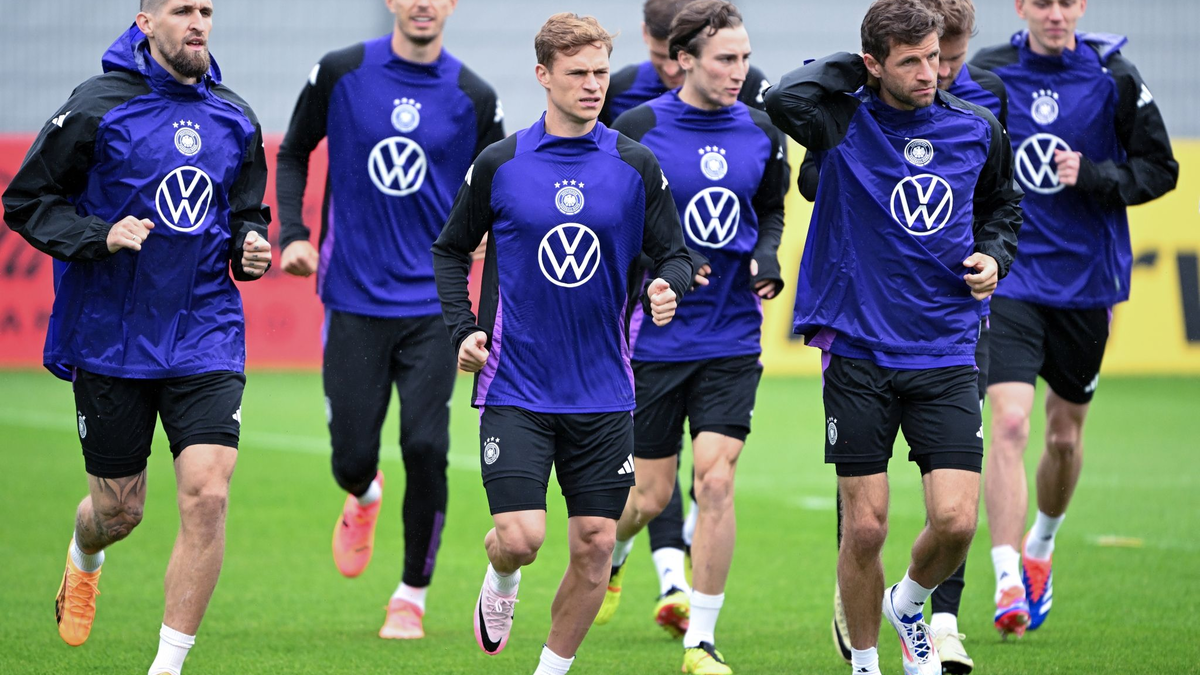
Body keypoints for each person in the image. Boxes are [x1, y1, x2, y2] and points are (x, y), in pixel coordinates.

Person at [1, 1, 271, 674]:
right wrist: (101, 234)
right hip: (112, 337)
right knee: (118, 510)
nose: (198, 22)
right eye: (182, 10)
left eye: (206, 10)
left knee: (208, 493)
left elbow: (245, 212)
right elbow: (27, 201)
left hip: (204, 331)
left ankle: (166, 666)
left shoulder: (236, 117)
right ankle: (84, 553)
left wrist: (250, 246)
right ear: (146, 23)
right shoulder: (96, 106)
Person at [765, 0, 1023, 672]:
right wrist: (859, 69)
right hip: (858, 349)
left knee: (956, 522)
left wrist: (995, 256)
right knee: (866, 525)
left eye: (934, 57)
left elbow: (1003, 206)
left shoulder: (978, 128)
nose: (930, 72)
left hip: (946, 347)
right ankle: (866, 663)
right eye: (910, 61)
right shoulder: (841, 121)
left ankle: (908, 602)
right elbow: (783, 97)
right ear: (874, 64)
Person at [432, 13, 692, 675]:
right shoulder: (501, 163)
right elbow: (450, 249)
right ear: (543, 75)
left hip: (604, 389)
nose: (593, 84)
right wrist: (463, 328)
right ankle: (502, 574)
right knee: (522, 537)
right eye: (578, 73)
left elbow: (675, 254)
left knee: (596, 543)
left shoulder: (634, 164)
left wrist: (666, 285)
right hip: (516, 384)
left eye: (601, 72)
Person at [275, 0, 504, 639]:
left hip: (434, 305)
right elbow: (293, 152)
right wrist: (293, 234)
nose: (423, 3)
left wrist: (488, 230)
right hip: (351, 296)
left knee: (427, 447)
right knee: (351, 458)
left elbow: (501, 184)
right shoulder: (341, 73)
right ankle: (364, 493)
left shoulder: (474, 95)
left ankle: (411, 595)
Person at [972, 0, 1177, 639]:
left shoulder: (1115, 76)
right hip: (1012, 276)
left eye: (1066, 2)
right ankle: (1007, 576)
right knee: (1009, 422)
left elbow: (1161, 169)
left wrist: (1095, 175)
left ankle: (1041, 544)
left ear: (1081, 7)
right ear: (1022, 8)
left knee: (1063, 438)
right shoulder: (990, 73)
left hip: (1087, 284)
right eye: (1042, 2)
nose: (1055, 13)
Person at [596, 3, 788, 673]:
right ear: (684, 61)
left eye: (744, 58)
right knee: (648, 497)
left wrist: (766, 255)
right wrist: (660, 266)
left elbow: (770, 209)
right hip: (654, 341)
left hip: (731, 337)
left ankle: (699, 639)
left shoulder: (763, 131)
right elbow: (612, 225)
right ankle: (617, 553)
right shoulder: (637, 129)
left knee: (715, 479)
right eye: (725, 59)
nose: (740, 71)